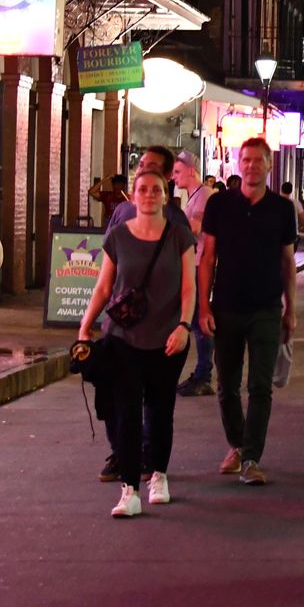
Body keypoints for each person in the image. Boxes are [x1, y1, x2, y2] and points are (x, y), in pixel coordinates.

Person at [78, 168, 196, 517]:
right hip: (122, 339)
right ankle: (129, 489)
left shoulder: (179, 237)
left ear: (165, 194)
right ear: (134, 194)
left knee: (160, 411)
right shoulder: (118, 236)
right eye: (142, 189)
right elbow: (103, 287)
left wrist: (184, 326)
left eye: (155, 189)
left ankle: (158, 474)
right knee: (126, 413)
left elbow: (189, 287)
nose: (148, 195)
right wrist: (85, 326)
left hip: (167, 339)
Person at [198, 138, 298, 486]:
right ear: (237, 164)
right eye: (246, 160)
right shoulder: (220, 204)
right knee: (226, 384)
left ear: (270, 165)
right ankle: (237, 444)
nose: (251, 165)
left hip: (266, 308)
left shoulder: (282, 209)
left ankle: (252, 456)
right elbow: (207, 258)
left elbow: (288, 262)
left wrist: (291, 310)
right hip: (225, 306)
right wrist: (202, 306)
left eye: (258, 160)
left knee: (260, 386)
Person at [97, 147, 191, 478]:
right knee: (116, 398)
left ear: (166, 181)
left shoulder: (176, 225)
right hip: (121, 324)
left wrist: (184, 323)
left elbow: (188, 282)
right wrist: (89, 320)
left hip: (160, 328)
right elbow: (105, 275)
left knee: (155, 403)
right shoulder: (122, 213)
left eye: (152, 171)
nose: (143, 174)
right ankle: (123, 453)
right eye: (140, 168)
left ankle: (149, 458)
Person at [173, 150, 217, 397]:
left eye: (178, 172)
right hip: (191, 263)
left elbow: (197, 229)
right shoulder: (192, 197)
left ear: (191, 171)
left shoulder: (204, 197)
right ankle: (200, 373)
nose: (174, 177)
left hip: (200, 264)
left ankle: (203, 375)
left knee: (200, 321)